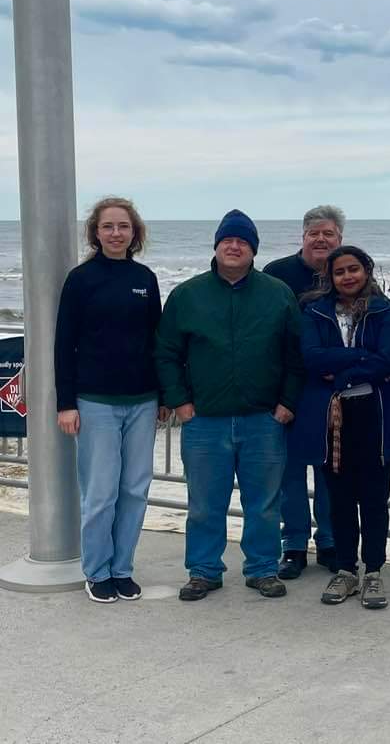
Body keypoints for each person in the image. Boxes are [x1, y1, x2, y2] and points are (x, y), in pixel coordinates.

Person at [155, 209, 304, 601]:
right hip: (204, 421)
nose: (234, 246)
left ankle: (262, 569)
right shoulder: (187, 294)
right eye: (227, 240)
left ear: (253, 250)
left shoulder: (277, 293)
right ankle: (204, 571)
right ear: (217, 246)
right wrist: (180, 402)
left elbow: (295, 355)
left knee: (265, 504)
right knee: (204, 505)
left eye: (242, 241)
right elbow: (166, 353)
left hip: (264, 420)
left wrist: (287, 402)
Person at [288, 246, 390, 608]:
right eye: (339, 272)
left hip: (375, 413)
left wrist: (342, 373)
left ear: (366, 271)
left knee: (374, 498)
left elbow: (388, 360)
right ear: (330, 278)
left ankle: (373, 571)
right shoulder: (314, 311)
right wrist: (362, 357)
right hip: (331, 415)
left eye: (353, 269)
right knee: (340, 498)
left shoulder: (386, 311)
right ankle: (346, 570)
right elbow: (312, 357)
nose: (347, 277)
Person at [54, 197, 164, 603]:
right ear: (96, 233)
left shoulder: (145, 278)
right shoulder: (81, 279)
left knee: (135, 488)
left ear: (134, 233)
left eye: (123, 226)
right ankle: (97, 571)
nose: (116, 233)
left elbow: (157, 341)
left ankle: (122, 569)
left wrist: (164, 396)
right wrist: (66, 403)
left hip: (143, 401)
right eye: (108, 226)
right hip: (95, 401)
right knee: (101, 493)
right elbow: (63, 345)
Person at [264, 205, 345, 578]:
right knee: (290, 473)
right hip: (287, 391)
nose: (321, 239)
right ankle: (294, 545)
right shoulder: (277, 274)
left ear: (339, 238)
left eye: (328, 233)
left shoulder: (347, 272)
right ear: (303, 237)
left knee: (331, 470)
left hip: (332, 392)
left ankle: (329, 542)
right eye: (314, 233)